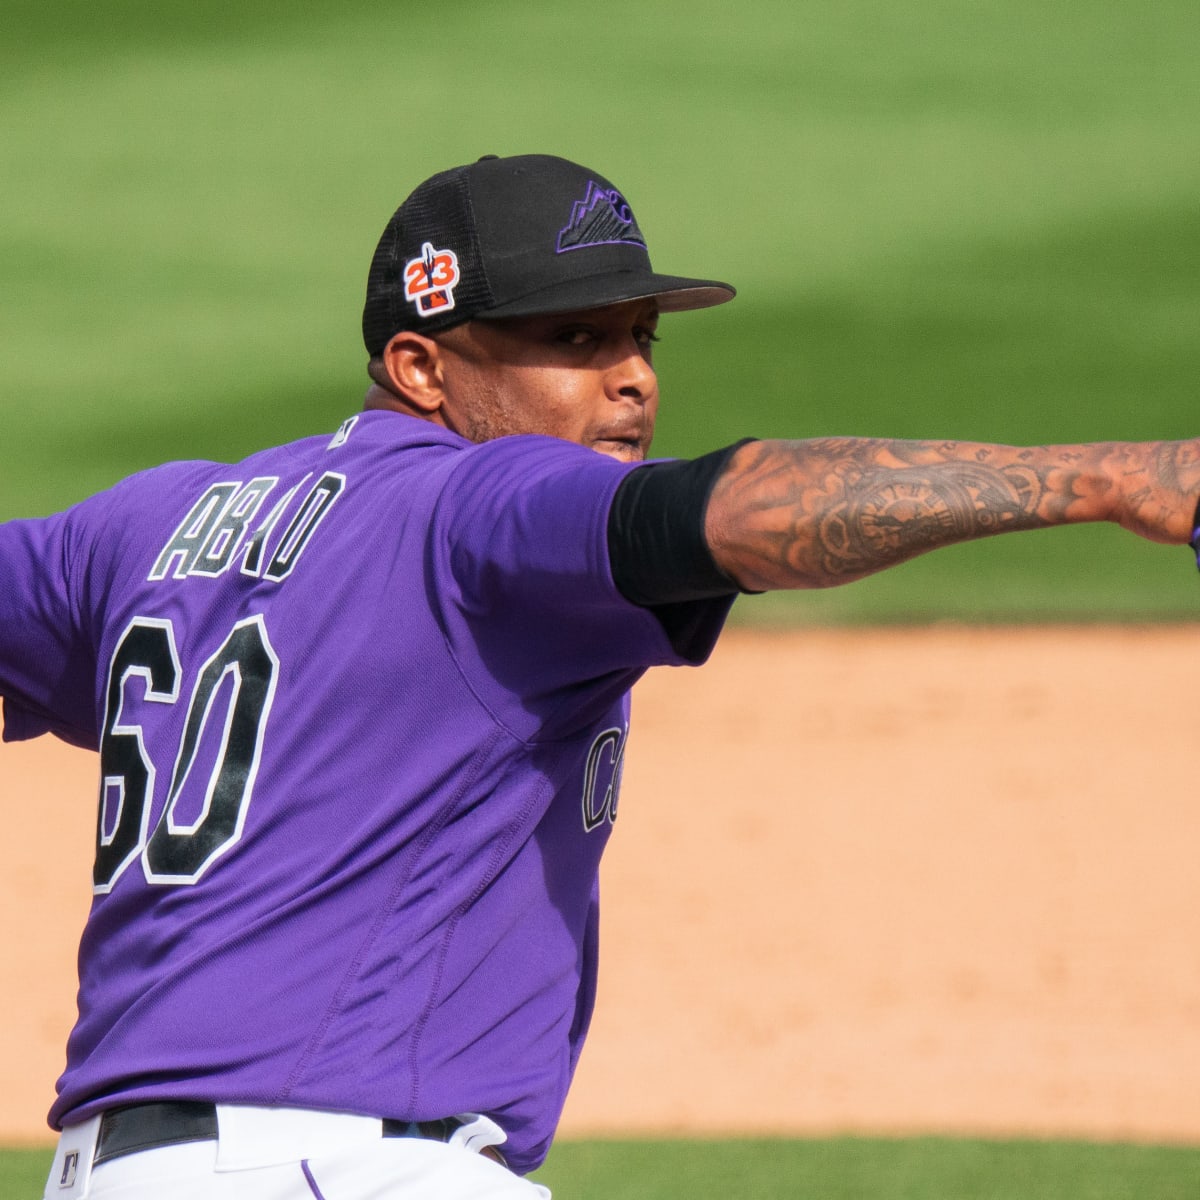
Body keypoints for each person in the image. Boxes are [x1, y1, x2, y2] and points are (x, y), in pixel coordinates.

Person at [5, 152, 1197, 1200]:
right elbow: (731, 509)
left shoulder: (151, 527)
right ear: (422, 367)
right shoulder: (484, 504)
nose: (633, 378)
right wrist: (1107, 479)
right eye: (574, 341)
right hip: (346, 1168)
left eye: (640, 336)